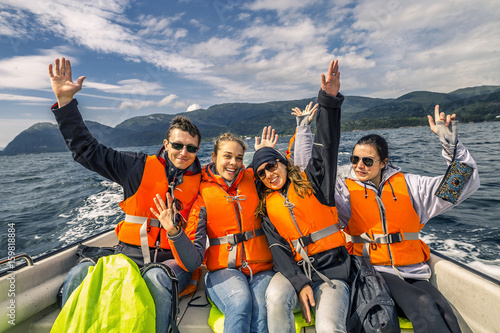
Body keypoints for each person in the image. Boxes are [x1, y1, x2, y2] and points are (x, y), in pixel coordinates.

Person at [295, 100, 480, 332]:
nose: (359, 166)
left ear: (384, 162)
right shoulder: (345, 192)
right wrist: (304, 129)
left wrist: (451, 144)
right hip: (372, 270)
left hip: (414, 271)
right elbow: (308, 176)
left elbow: (463, 182)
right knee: (423, 305)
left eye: (368, 161)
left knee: (444, 311)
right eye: (355, 160)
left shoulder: (413, 187)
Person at [49, 57, 202, 333]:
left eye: (191, 149)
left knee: (157, 278)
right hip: (128, 254)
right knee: (79, 273)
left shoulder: (203, 180)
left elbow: (236, 176)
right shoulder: (136, 166)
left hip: (170, 260)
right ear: (166, 144)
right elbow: (87, 150)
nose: (184, 153)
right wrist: (65, 103)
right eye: (178, 145)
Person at [252, 60, 350, 333]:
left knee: (329, 327)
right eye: (261, 173)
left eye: (272, 166)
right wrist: (298, 281)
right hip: (297, 272)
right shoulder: (268, 208)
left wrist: (328, 101)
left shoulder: (315, 181)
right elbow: (278, 250)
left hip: (334, 272)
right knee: (274, 297)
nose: (269, 174)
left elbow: (326, 147)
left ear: (283, 162)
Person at [151, 131, 277, 333]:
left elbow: (278, 174)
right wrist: (174, 232)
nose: (233, 163)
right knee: (240, 303)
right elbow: (193, 261)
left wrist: (266, 152)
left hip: (261, 268)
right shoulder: (203, 196)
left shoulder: (253, 179)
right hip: (222, 272)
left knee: (262, 311)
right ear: (214, 157)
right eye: (227, 156)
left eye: (238, 158)